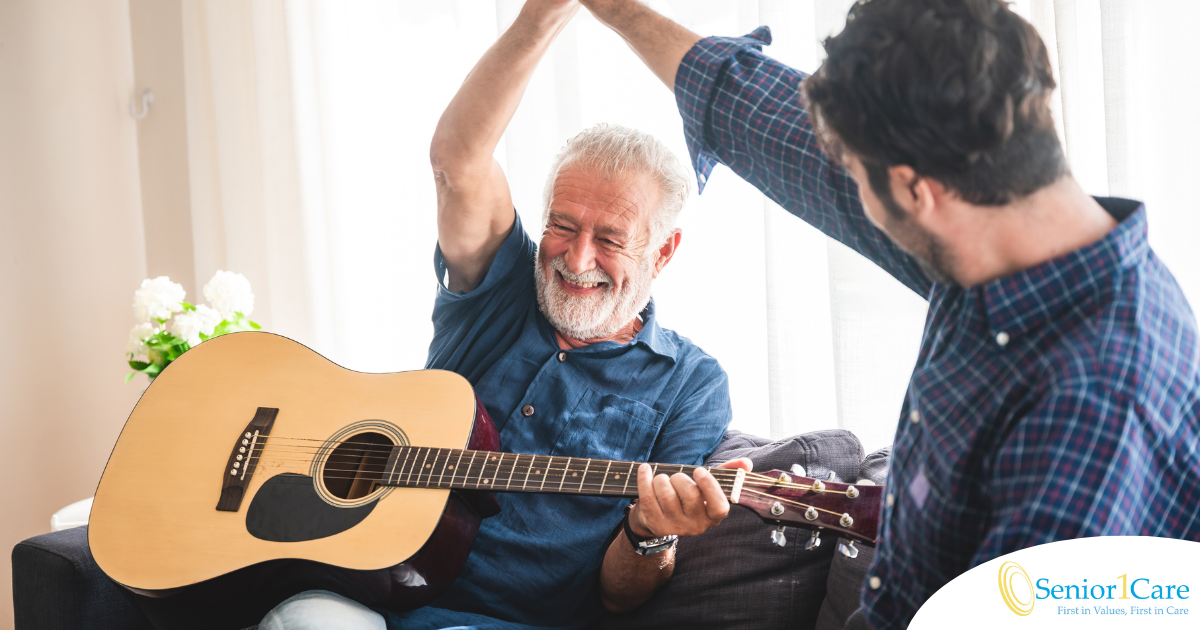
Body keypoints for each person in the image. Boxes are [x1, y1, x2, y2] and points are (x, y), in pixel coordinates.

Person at [579, 0, 1200, 627]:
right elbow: (762, 116)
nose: (847, 189)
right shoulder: (996, 216)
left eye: (857, 175)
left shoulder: (1092, 406)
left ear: (914, 191)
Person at [260, 2, 750, 629]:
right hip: (356, 591)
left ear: (663, 250)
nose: (576, 259)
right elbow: (457, 163)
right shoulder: (503, 285)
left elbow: (621, 597)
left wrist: (652, 533)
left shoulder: (691, 382)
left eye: (610, 239)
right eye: (562, 226)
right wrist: (541, 17)